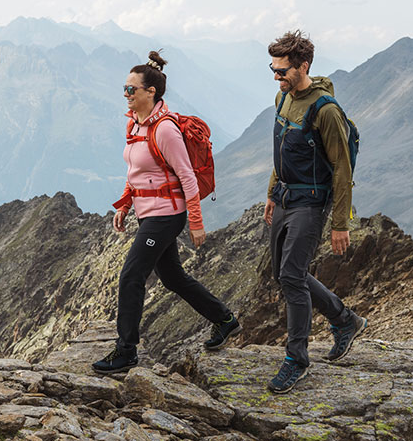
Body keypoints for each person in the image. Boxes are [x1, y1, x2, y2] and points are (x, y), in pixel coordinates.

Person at [92, 51, 240, 374]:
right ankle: (225, 319)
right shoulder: (135, 125)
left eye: (131, 89)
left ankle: (125, 350)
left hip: (167, 215)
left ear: (150, 93)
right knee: (173, 277)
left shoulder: (165, 129)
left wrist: (196, 223)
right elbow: (138, 171)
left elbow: (186, 176)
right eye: (125, 88)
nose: (126, 94)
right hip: (148, 213)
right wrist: (125, 204)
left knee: (132, 275)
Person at [263, 30, 367, 393]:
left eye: (282, 70)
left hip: (311, 202)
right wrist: (272, 192)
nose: (277, 77)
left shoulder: (326, 110)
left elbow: (341, 168)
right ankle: (345, 321)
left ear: (303, 66)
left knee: (292, 276)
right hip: (285, 198)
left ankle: (297, 359)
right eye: (273, 70)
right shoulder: (282, 98)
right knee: (284, 273)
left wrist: (341, 223)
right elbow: (281, 150)